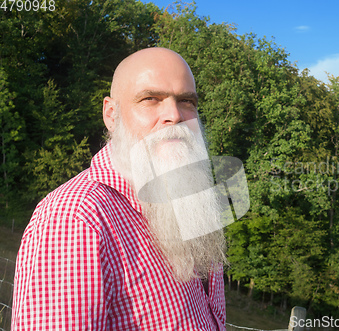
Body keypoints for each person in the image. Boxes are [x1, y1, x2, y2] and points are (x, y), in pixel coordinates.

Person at [12, 47, 228, 330]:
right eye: (150, 99)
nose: (174, 115)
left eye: (187, 101)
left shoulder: (187, 203)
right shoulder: (75, 219)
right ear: (112, 115)